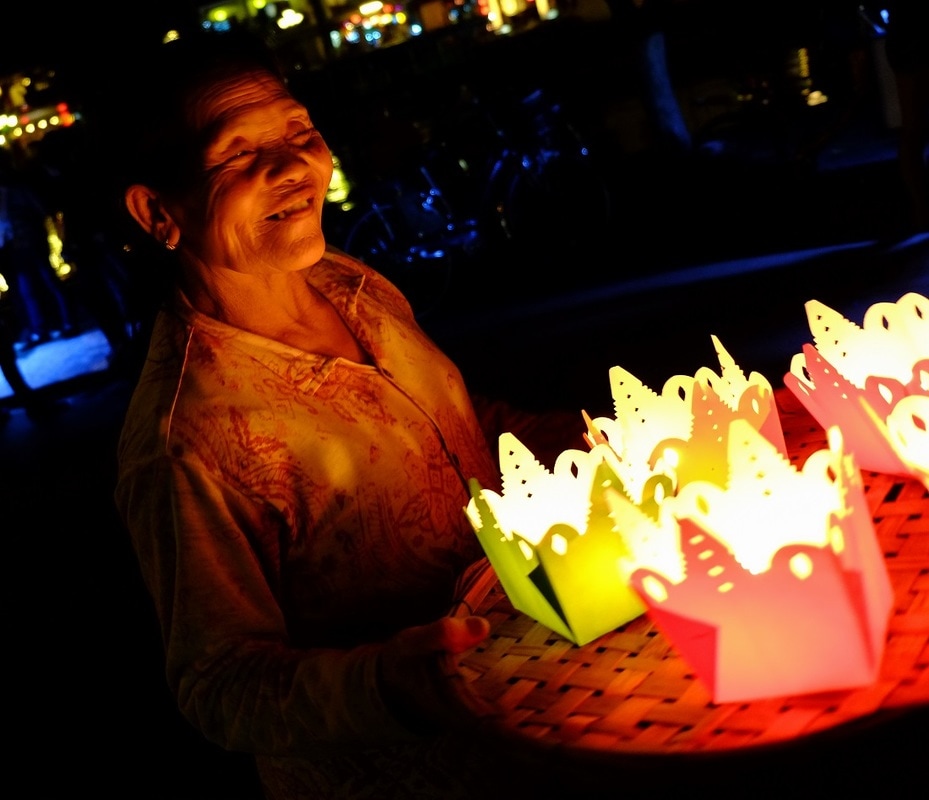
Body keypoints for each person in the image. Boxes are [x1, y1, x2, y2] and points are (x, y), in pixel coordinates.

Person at [106, 27, 578, 799]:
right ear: (159, 212)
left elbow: (453, 427)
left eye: (300, 132)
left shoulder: (350, 283)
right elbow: (220, 684)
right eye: (237, 153)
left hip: (539, 711)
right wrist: (389, 685)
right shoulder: (184, 438)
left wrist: (579, 436)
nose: (294, 167)